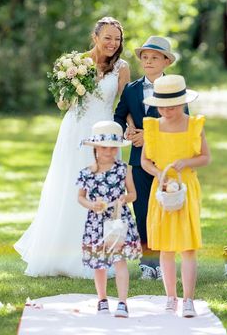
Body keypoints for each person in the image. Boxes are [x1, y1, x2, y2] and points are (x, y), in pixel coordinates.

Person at [15, 17, 130, 278]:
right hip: (75, 131)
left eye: (117, 39)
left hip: (105, 134)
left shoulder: (122, 67)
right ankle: (61, 253)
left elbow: (123, 105)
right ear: (95, 37)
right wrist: (72, 82)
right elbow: (62, 105)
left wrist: (130, 128)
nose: (113, 43)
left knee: (103, 189)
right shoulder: (75, 63)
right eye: (108, 37)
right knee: (69, 185)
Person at [141, 75, 211, 318]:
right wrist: (160, 173)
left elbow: (205, 157)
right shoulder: (152, 127)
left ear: (181, 103)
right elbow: (145, 162)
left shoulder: (194, 125)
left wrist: (186, 162)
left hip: (186, 187)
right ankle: (171, 297)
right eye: (161, 106)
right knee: (165, 247)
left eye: (171, 106)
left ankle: (189, 299)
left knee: (188, 246)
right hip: (161, 189)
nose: (166, 111)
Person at [113, 35, 176, 280]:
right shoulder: (130, 90)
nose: (148, 62)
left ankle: (164, 262)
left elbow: (181, 123)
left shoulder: (174, 88)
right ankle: (147, 264)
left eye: (154, 58)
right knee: (141, 210)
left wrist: (148, 137)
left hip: (165, 160)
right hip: (139, 162)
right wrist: (126, 130)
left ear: (166, 62)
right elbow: (119, 116)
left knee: (164, 209)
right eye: (145, 57)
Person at [77, 121, 142, 317]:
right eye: (104, 148)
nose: (109, 152)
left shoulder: (124, 169)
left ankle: (122, 302)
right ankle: (102, 299)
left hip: (117, 220)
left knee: (119, 260)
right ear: (96, 148)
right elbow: (80, 197)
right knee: (99, 263)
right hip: (96, 223)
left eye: (113, 148)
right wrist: (91, 205)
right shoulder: (87, 172)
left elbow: (133, 194)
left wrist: (124, 198)